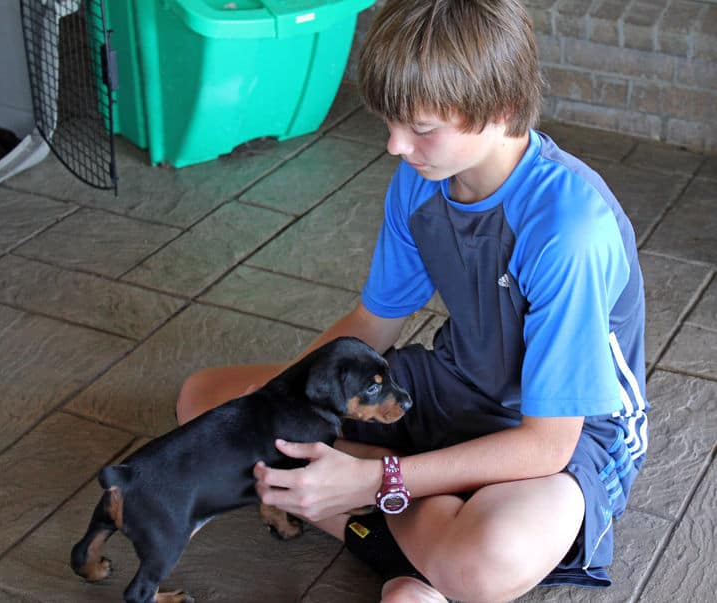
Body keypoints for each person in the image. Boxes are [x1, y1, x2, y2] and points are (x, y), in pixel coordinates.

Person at [176, 1, 649, 601]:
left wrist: (379, 479)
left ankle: (375, 514)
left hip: (569, 434)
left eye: (421, 128)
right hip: (452, 386)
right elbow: (371, 324)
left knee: (488, 558)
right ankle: (416, 540)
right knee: (207, 405)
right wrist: (275, 408)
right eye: (391, 123)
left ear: (500, 109)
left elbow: (547, 442)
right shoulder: (422, 181)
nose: (397, 145)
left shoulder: (569, 229)